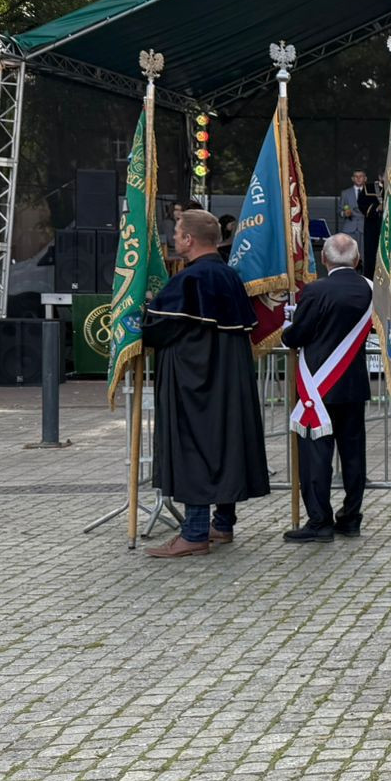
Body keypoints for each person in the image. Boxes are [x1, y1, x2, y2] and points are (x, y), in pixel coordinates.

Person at [143, 208, 270, 557]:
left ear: (189, 239)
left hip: (195, 381)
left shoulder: (190, 280)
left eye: (178, 232)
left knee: (194, 446)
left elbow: (157, 329)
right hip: (228, 381)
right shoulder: (229, 276)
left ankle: (195, 532)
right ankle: (222, 524)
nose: (174, 238)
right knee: (225, 443)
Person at [279, 233, 372, 541]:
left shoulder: (316, 290)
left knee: (316, 456)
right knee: (353, 454)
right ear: (357, 260)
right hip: (353, 385)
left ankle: (320, 521)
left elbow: (298, 335)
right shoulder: (371, 290)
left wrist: (286, 329)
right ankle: (351, 517)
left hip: (318, 386)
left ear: (325, 259)